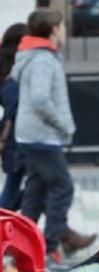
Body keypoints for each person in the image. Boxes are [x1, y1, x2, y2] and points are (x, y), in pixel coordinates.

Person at [13, 8, 96, 272]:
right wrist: (64, 124)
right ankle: (50, 249)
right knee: (63, 187)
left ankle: (21, 250)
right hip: (42, 136)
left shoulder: (33, 56)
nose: (64, 31)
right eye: (62, 27)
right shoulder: (43, 60)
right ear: (53, 31)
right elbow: (40, 98)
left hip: (31, 135)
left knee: (35, 194)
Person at [0, 23, 27, 212]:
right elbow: (11, 110)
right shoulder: (12, 74)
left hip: (15, 139)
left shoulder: (8, 68)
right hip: (16, 139)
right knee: (16, 185)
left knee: (37, 184)